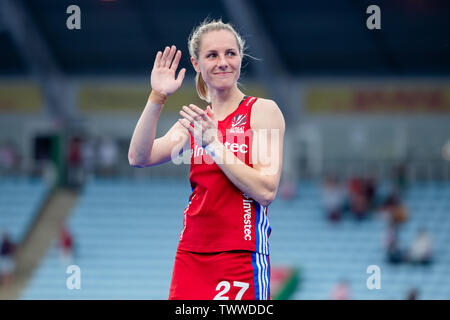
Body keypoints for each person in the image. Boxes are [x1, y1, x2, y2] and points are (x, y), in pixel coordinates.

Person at [128, 18, 285, 300]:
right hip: (191, 253)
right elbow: (139, 157)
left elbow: (266, 190)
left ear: (241, 58)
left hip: (241, 254)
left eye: (230, 53)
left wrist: (214, 144)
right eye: (212, 55)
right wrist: (158, 96)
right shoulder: (195, 121)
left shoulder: (262, 111)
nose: (223, 62)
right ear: (197, 64)